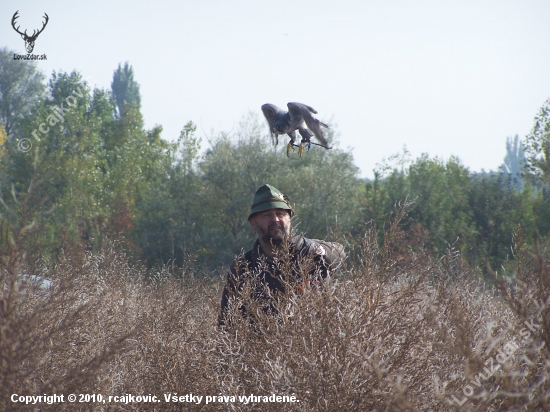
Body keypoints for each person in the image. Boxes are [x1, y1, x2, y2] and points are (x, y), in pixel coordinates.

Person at [218, 184, 345, 327]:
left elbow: (340, 252)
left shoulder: (311, 253)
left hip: (312, 345)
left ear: (290, 219)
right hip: (263, 347)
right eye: (267, 215)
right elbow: (226, 324)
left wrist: (313, 249)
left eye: (281, 213)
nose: (275, 219)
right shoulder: (243, 266)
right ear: (253, 223)